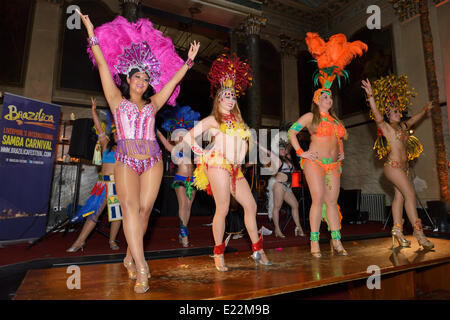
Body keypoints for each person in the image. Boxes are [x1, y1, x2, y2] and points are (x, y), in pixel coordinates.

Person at [78, 10, 200, 293]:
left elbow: (171, 84)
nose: (141, 80)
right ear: (129, 79)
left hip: (153, 161)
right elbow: (103, 66)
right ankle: (142, 267)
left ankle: (130, 255)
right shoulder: (115, 99)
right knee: (130, 209)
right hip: (125, 161)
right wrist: (91, 33)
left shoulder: (154, 103)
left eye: (145, 77)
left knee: (145, 213)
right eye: (137, 76)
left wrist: (189, 63)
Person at [183, 53, 272, 271]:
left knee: (250, 205)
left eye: (233, 96)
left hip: (235, 169)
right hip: (217, 165)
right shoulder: (213, 119)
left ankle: (258, 250)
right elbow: (187, 137)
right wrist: (200, 154)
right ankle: (218, 254)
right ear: (219, 99)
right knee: (222, 208)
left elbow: (245, 143)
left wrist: (249, 154)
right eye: (226, 96)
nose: (231, 99)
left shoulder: (239, 121)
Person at [288, 32, 367, 257]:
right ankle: (314, 242)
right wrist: (301, 153)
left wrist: (341, 154)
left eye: (330, 97)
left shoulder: (335, 120)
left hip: (334, 165)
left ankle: (336, 240)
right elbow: (291, 133)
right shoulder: (310, 118)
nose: (328, 100)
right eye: (324, 97)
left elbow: (338, 140)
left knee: (332, 202)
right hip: (314, 163)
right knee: (318, 199)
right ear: (316, 99)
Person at [362, 76, 434, 250]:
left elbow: (413, 119)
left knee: (399, 198)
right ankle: (419, 234)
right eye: (395, 111)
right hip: (392, 167)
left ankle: (397, 231)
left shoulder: (402, 126)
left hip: (404, 168)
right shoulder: (386, 127)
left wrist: (425, 110)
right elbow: (377, 116)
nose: (398, 113)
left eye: (399, 111)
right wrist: (371, 97)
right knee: (410, 195)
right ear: (388, 114)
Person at [67, 97, 122, 252]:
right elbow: (99, 128)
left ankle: (112, 241)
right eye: (115, 133)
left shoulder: (126, 150)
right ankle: (79, 242)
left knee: (117, 215)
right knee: (93, 213)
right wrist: (93, 111)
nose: (117, 135)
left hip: (117, 185)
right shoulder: (106, 145)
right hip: (102, 185)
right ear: (112, 134)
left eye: (120, 133)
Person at [157, 105, 200, 247]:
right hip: (180, 179)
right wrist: (154, 128)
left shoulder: (191, 149)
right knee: (183, 205)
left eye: (183, 136)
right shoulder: (173, 149)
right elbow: (162, 139)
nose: (181, 138)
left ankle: (183, 230)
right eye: (178, 136)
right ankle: (184, 233)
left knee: (188, 206)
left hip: (193, 179)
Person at [266, 136, 305, 238]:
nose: (283, 150)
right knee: (277, 207)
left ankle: (298, 228)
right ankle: (277, 230)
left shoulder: (288, 158)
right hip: (279, 185)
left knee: (295, 205)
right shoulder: (277, 160)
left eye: (284, 149)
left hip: (288, 186)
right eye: (281, 149)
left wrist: (290, 137)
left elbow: (290, 147)